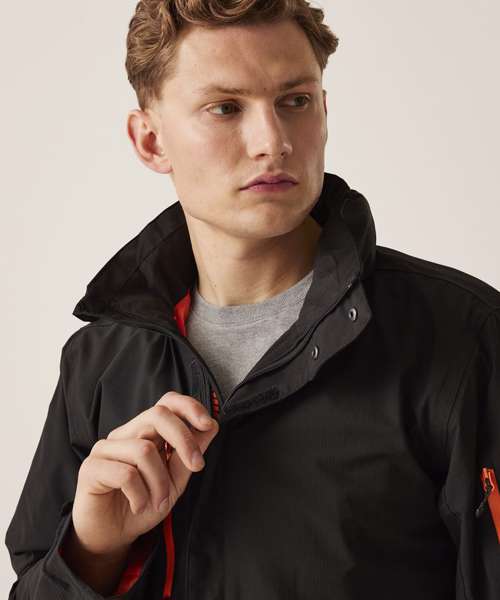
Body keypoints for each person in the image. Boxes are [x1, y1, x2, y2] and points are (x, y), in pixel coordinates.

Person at [5, 1, 500, 598]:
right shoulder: (99, 361)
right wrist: (93, 552)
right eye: (225, 107)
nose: (273, 141)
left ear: (324, 111)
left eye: (295, 101)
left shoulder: (462, 338)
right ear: (151, 140)